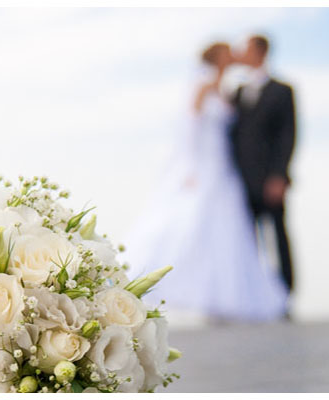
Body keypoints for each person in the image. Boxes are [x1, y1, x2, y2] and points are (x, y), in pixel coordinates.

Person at [125, 42, 288, 323]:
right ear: (216, 58)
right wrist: (189, 167)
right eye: (228, 53)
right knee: (192, 225)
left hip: (225, 168)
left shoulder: (228, 90)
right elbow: (188, 127)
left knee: (228, 232)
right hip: (203, 165)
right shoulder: (201, 86)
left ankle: (224, 297)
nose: (234, 56)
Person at [228, 35, 298, 296]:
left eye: (244, 49)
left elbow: (288, 135)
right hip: (239, 180)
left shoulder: (282, 90)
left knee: (278, 236)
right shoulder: (236, 93)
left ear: (260, 52)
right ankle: (253, 296)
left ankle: (285, 294)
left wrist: (279, 175)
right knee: (245, 241)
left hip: (270, 180)